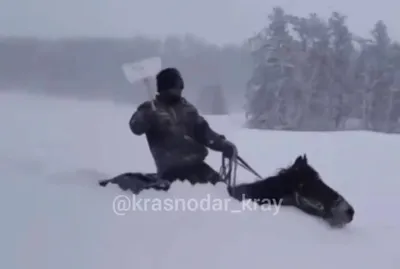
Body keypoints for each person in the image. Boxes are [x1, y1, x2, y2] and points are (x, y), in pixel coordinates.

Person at [129, 67, 237, 186]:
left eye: (181, 85)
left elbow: (205, 133)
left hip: (197, 165)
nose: (180, 89)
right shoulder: (150, 109)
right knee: (201, 192)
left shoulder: (188, 110)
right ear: (166, 86)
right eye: (177, 85)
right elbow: (135, 126)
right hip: (171, 170)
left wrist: (223, 144)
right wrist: (149, 117)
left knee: (221, 188)